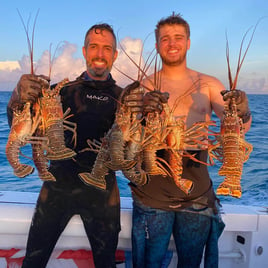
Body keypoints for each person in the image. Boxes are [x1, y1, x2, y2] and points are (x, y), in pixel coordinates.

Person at [6, 23, 141, 268]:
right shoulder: (61, 91)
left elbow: (134, 153)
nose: (100, 54)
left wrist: (145, 116)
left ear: (115, 55)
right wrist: (17, 95)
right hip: (56, 190)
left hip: (103, 197)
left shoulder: (124, 98)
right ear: (84, 50)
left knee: (106, 264)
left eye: (107, 48)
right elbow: (21, 129)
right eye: (94, 47)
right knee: (32, 262)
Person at [128, 13, 252, 268]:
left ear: (188, 42)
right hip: (151, 195)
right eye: (165, 39)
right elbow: (127, 136)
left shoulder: (208, 84)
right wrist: (139, 114)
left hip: (197, 194)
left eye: (178, 38)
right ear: (157, 45)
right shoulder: (143, 86)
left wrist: (243, 110)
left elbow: (241, 129)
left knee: (191, 263)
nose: (172, 43)